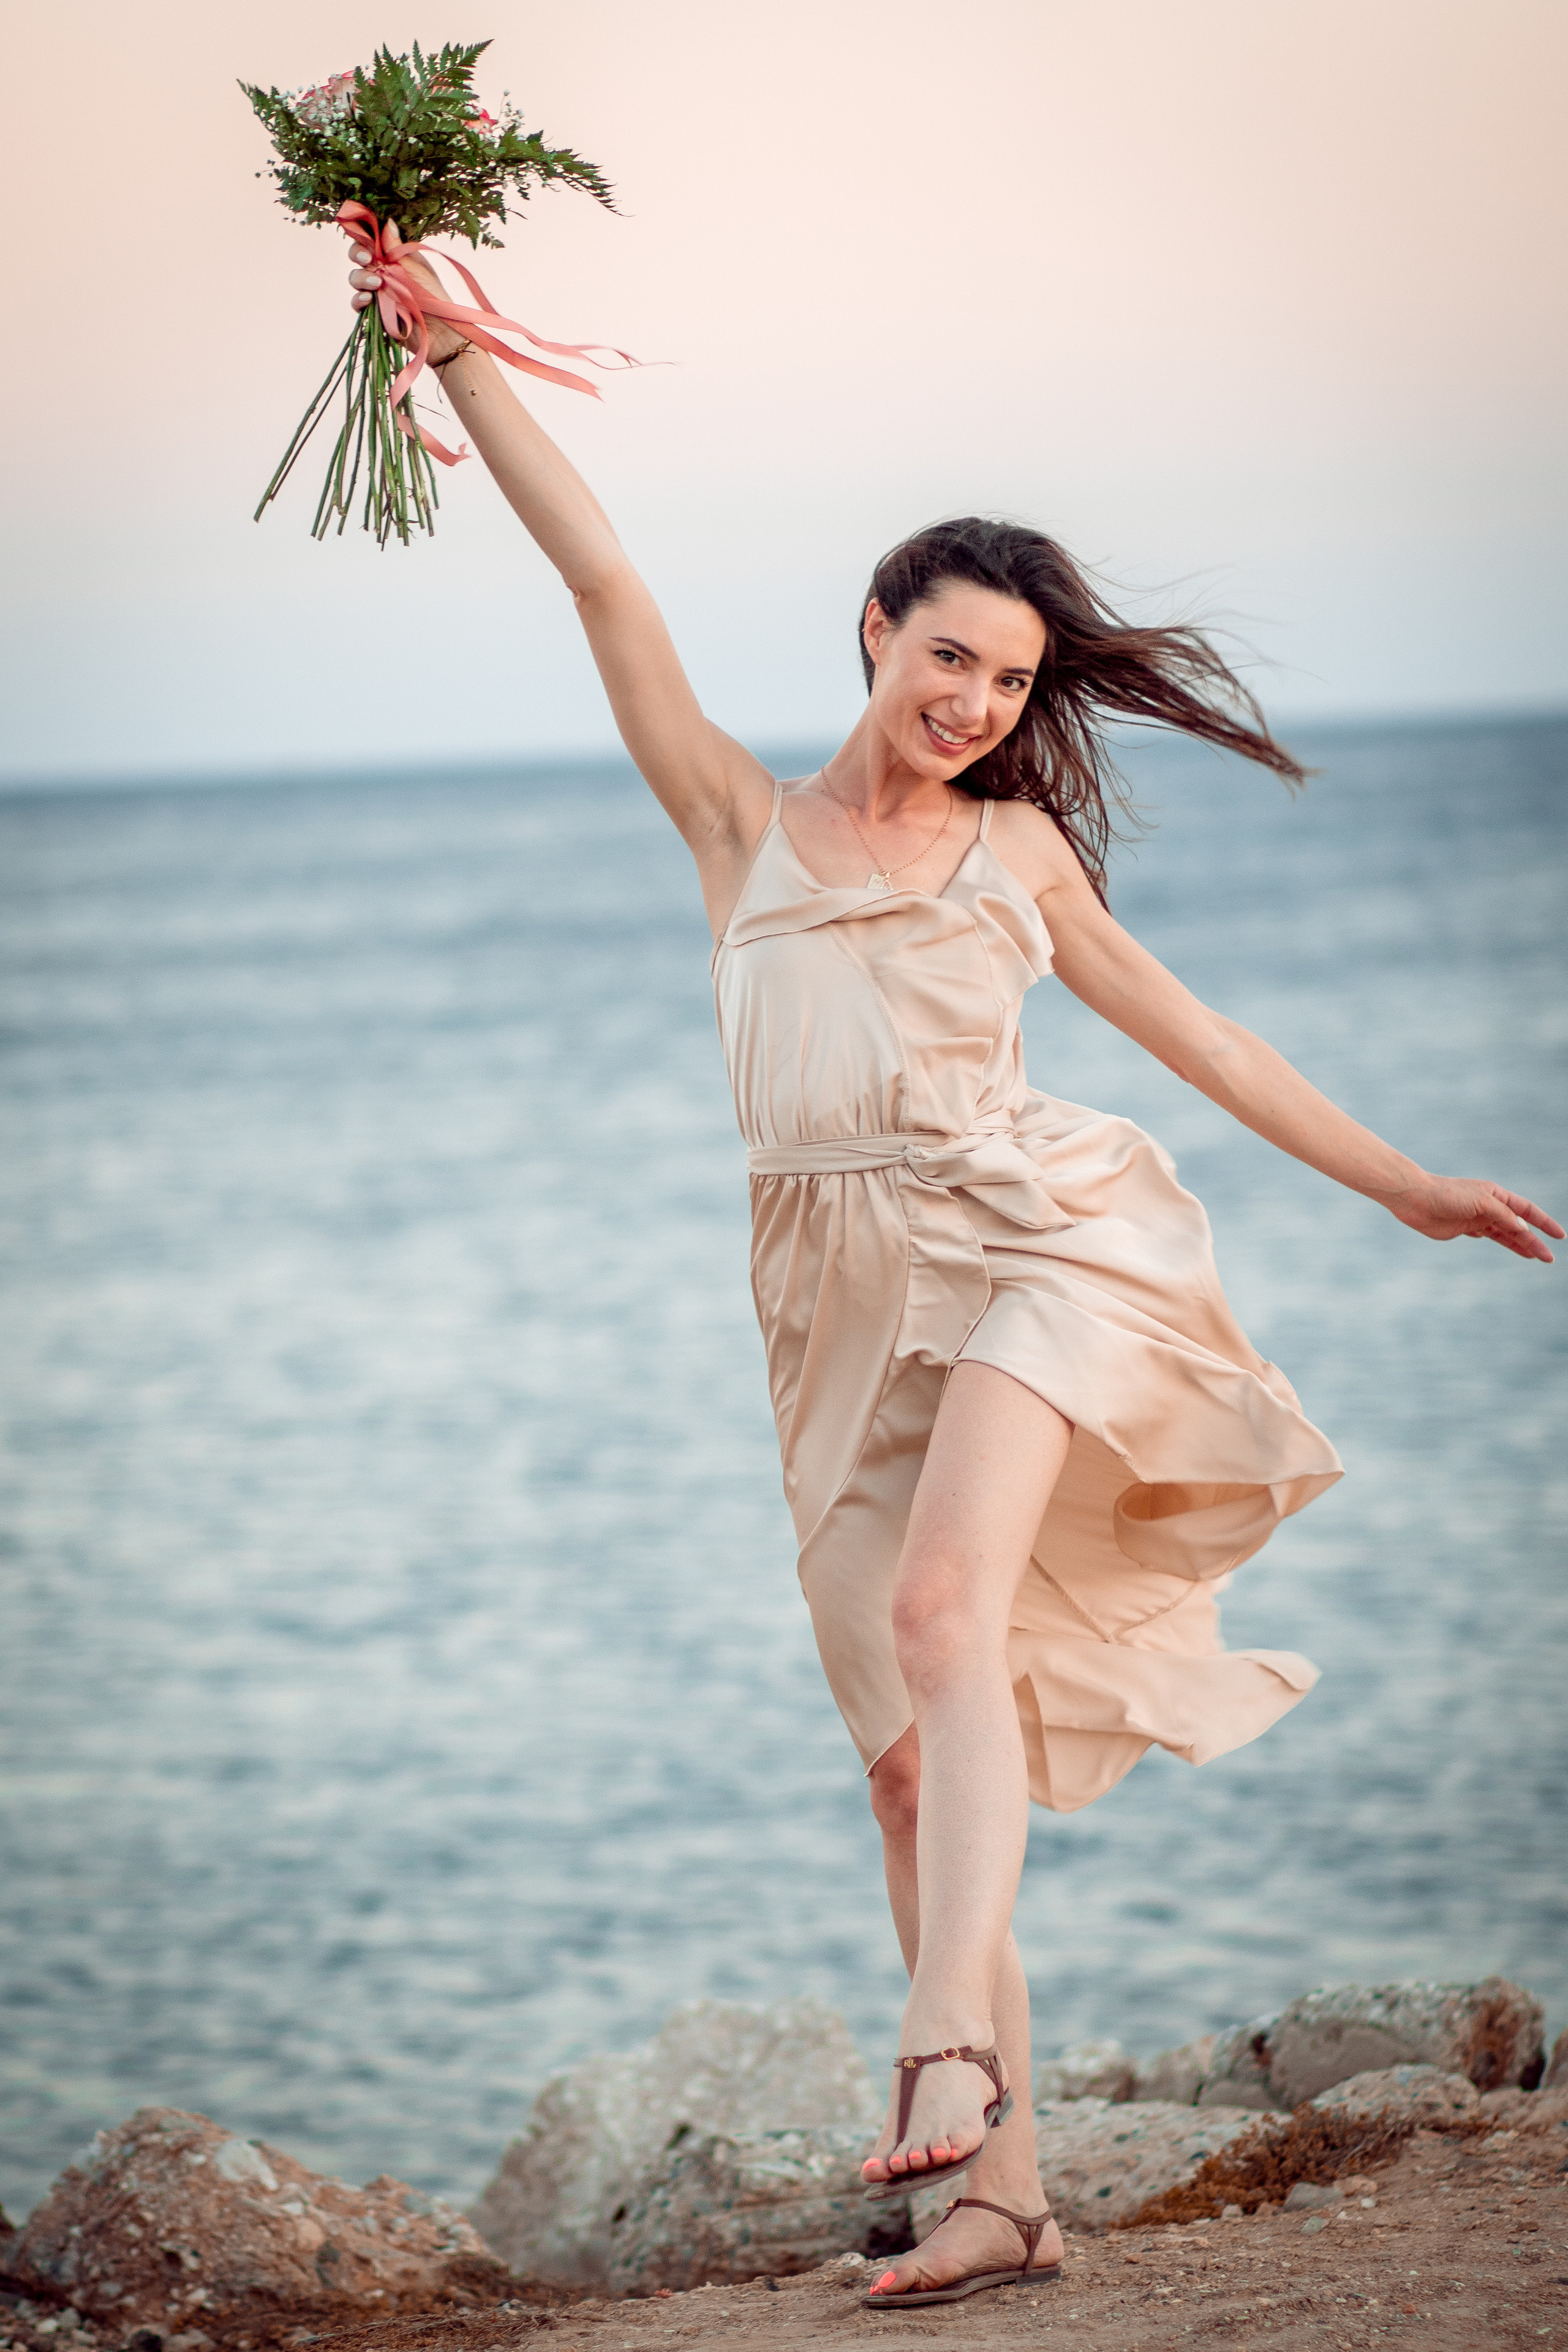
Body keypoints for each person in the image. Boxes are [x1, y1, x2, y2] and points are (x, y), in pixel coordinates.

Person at [350, 228, 1561, 2309]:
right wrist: (458, 352)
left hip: (1032, 1241)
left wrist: (1401, 1185)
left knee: (945, 1615)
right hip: (826, 1301)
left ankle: (936, 2043)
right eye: (951, 661)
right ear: (876, 629)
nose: (976, 704)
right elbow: (605, 581)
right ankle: (1005, 2196)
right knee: (913, 1763)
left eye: (1008, 682)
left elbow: (1207, 1042)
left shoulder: (1018, 850)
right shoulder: (735, 825)